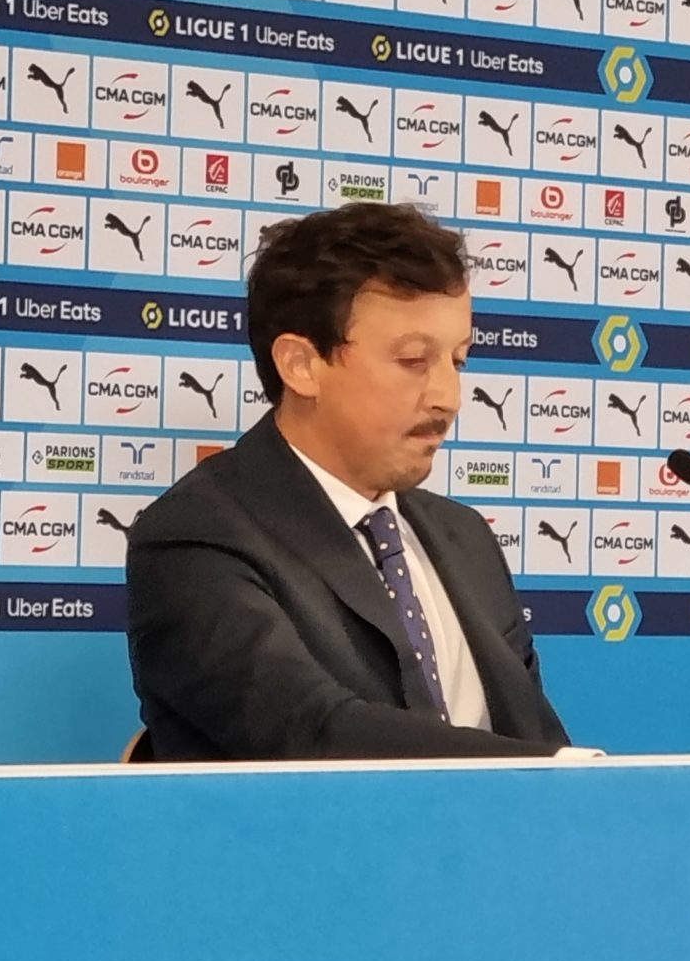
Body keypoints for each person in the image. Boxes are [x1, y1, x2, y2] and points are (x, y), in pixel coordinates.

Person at [124, 204, 572, 760]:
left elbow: (533, 732)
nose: (449, 397)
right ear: (301, 365)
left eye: (458, 360)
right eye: (414, 360)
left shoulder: (466, 537)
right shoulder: (197, 536)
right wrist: (551, 768)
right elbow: (310, 733)